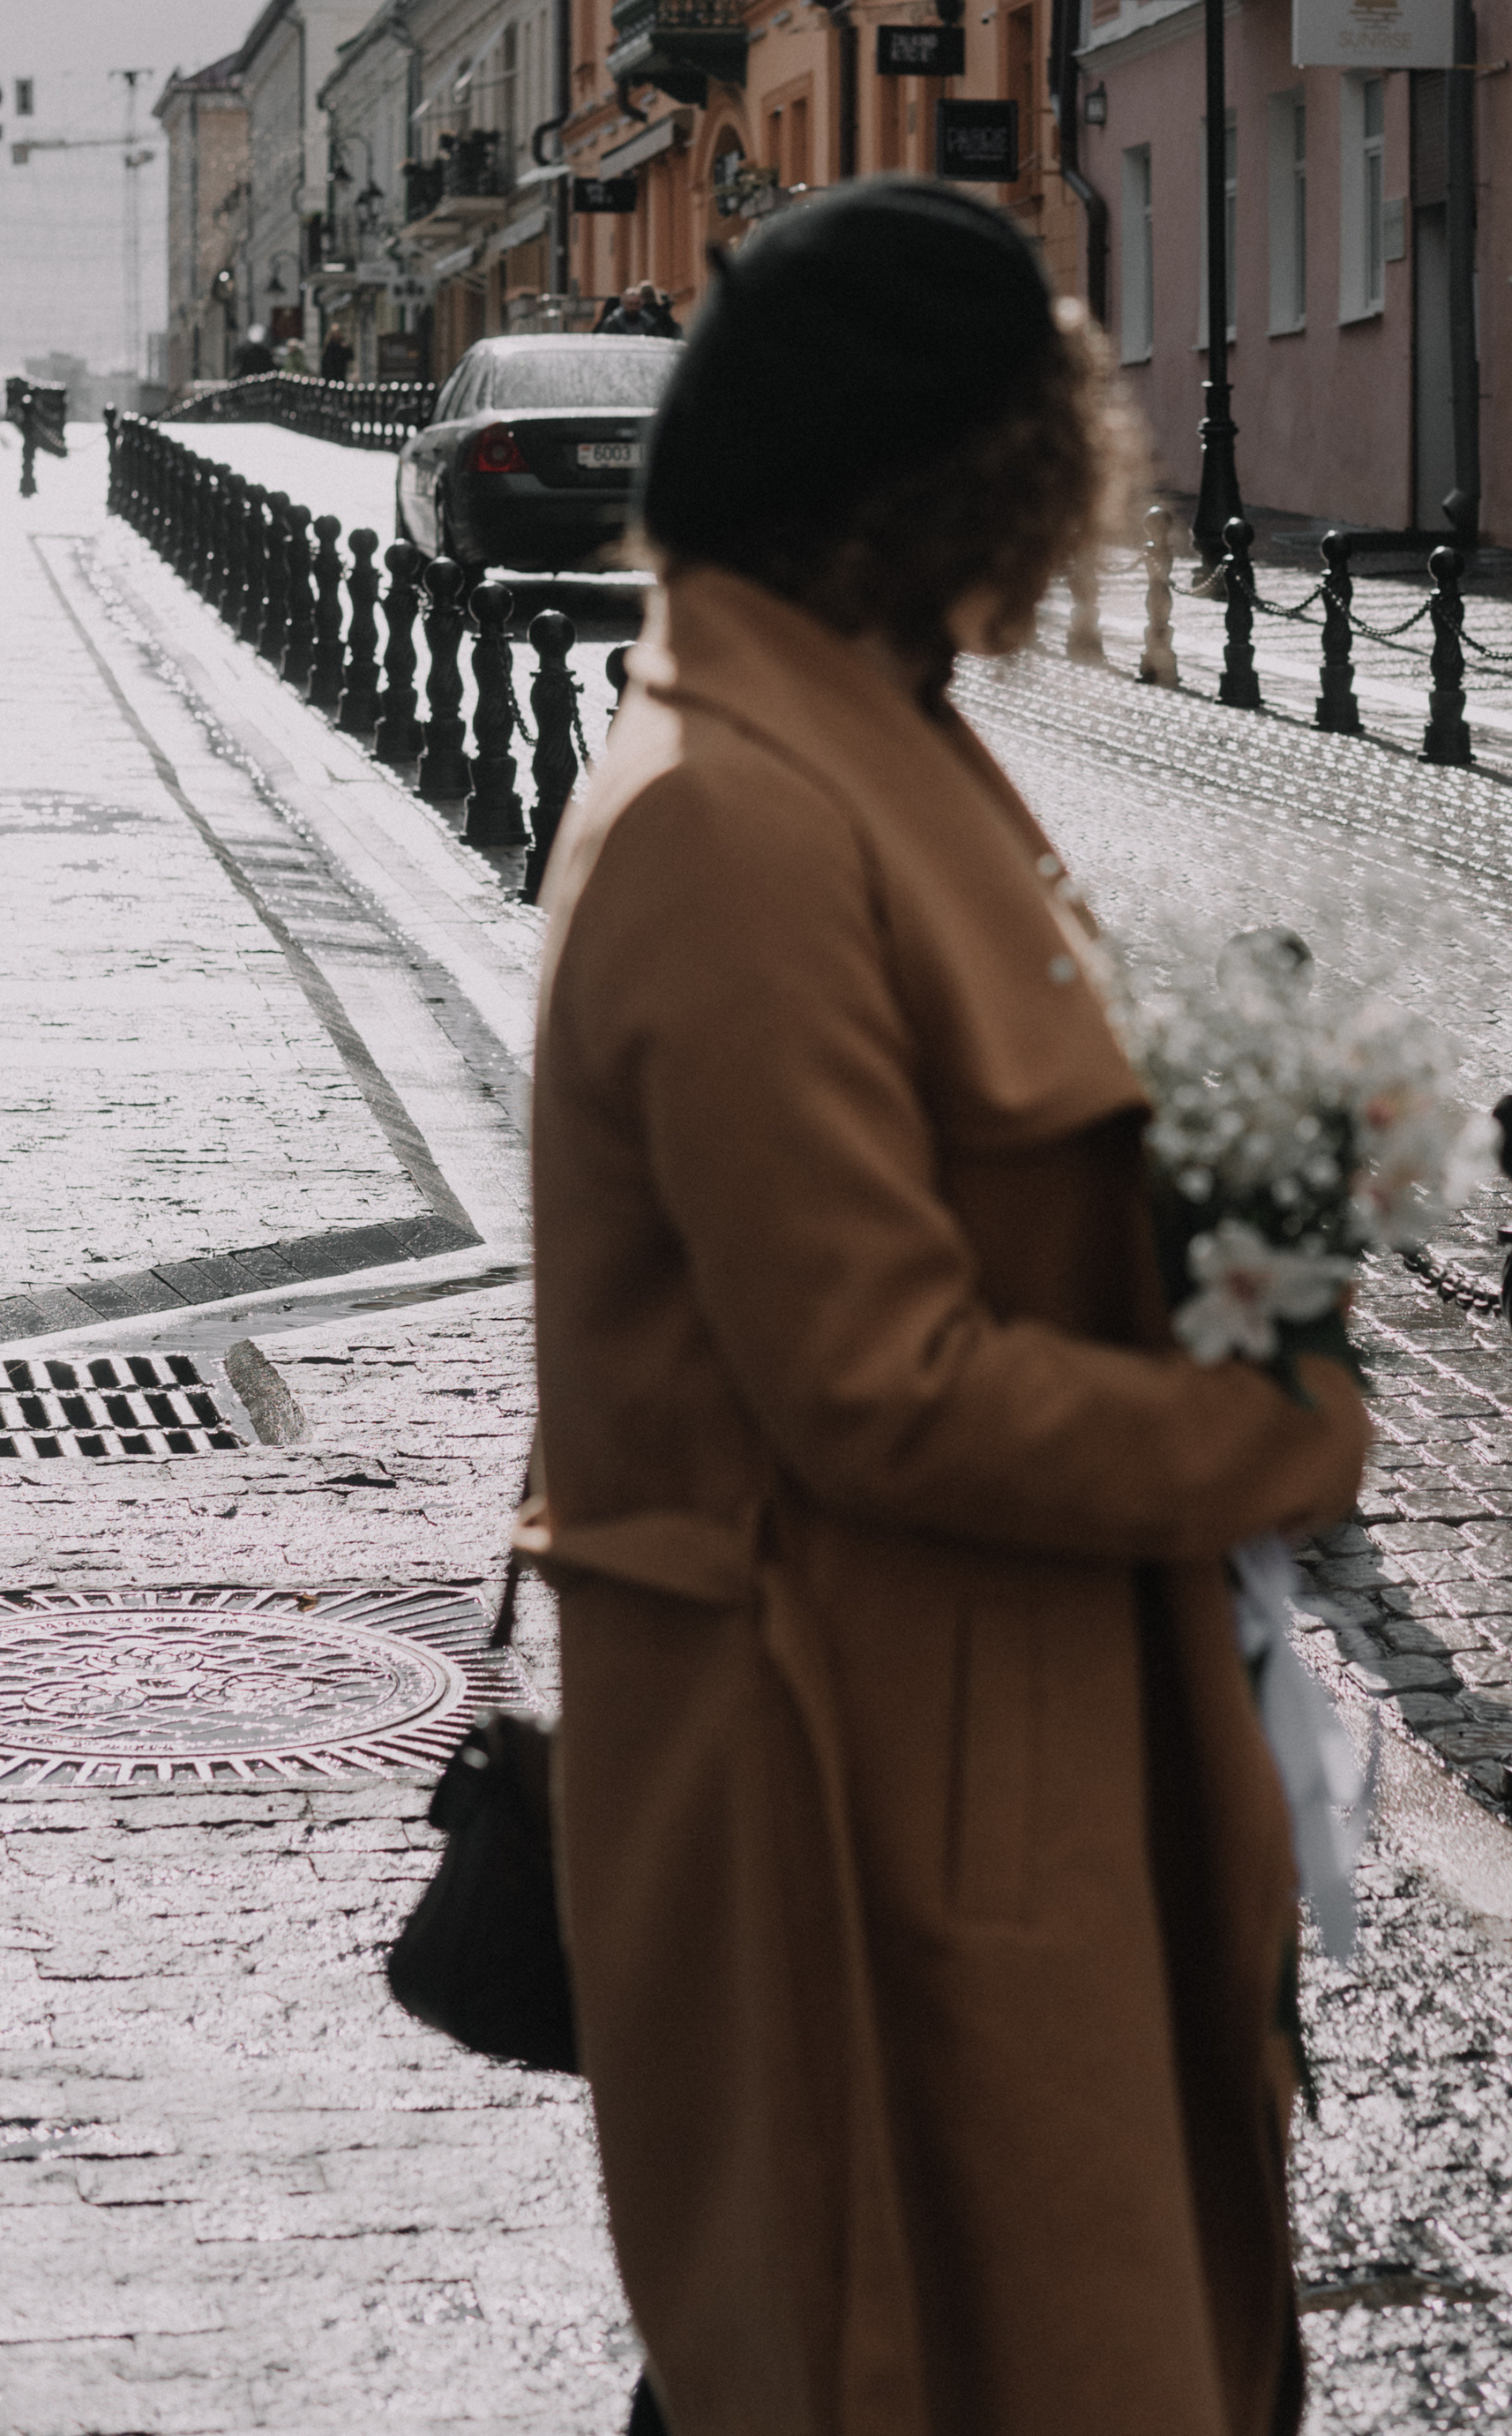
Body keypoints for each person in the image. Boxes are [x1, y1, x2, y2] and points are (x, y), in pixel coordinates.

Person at [521, 180, 1368, 2436]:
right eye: (1052, 445)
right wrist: (1266, 1430)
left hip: (980, 1721)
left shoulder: (853, 729)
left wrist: (1222, 1188)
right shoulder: (733, 812)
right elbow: (870, 1384)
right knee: (901, 2341)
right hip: (861, 1772)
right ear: (943, 480)